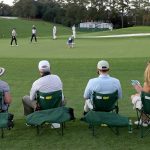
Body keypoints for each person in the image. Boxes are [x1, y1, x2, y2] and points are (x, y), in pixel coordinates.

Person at [22, 60, 65, 128]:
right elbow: (62, 96)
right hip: (57, 105)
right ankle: (55, 119)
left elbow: (31, 98)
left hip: (42, 108)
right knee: (64, 99)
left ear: (39, 70)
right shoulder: (57, 78)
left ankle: (31, 121)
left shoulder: (37, 82)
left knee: (25, 98)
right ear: (50, 68)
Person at [131, 62, 150, 127]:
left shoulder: (147, 84)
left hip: (148, 108)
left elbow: (144, 96)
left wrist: (138, 91)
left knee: (134, 97)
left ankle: (145, 120)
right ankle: (146, 120)